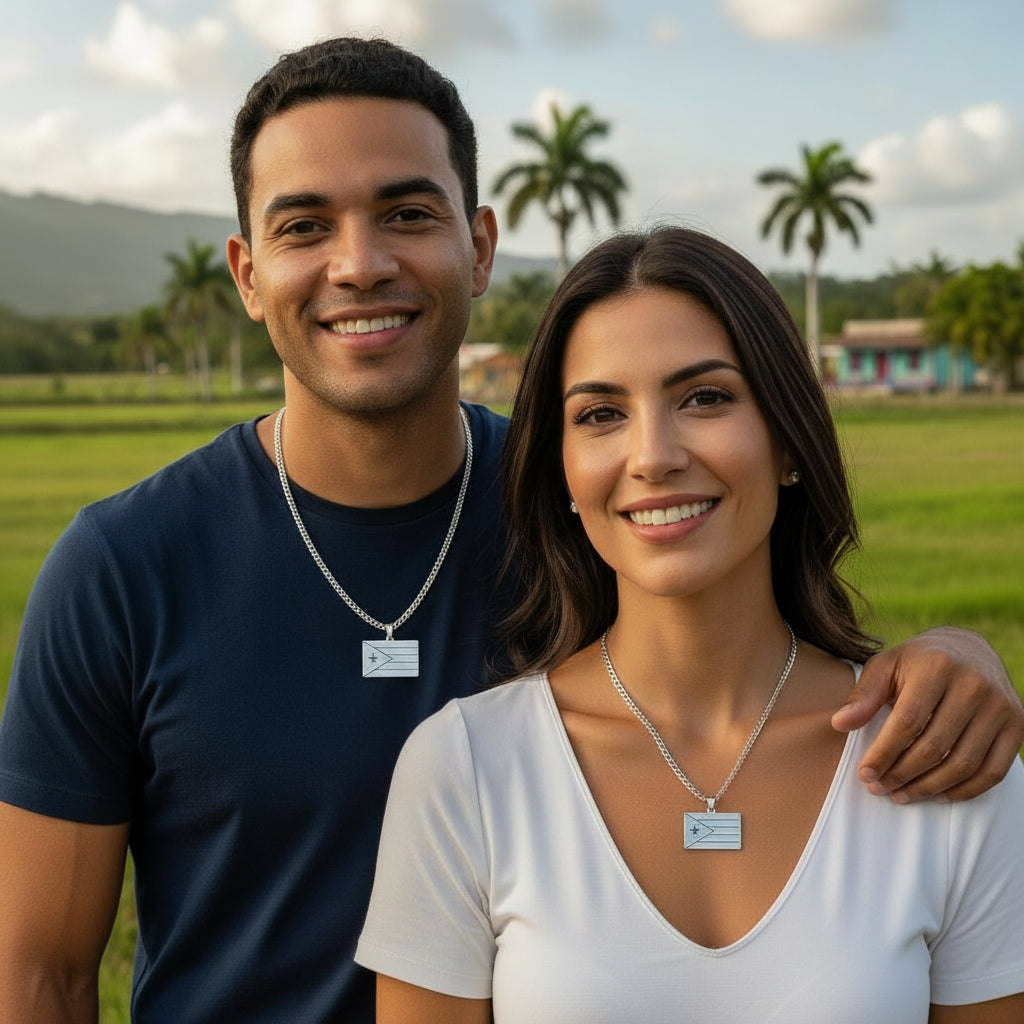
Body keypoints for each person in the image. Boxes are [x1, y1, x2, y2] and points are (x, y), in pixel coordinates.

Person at [0, 37, 1019, 1024]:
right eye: (303, 226)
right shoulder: (125, 568)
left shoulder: (588, 512)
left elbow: (756, 651)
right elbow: (38, 976)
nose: (359, 263)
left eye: (406, 211)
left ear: (478, 245)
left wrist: (955, 659)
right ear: (246, 272)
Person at [356, 227, 1024, 1023]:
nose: (653, 455)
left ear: (787, 441)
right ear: (563, 470)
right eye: (601, 413)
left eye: (705, 398)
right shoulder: (463, 770)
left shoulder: (941, 759)